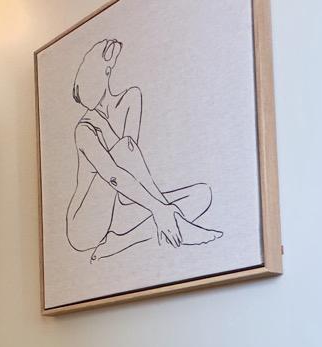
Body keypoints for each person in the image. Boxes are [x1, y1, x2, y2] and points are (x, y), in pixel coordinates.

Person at [66, 39, 222, 262]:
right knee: (155, 199)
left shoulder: (131, 98)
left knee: (201, 195)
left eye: (91, 78)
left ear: (107, 71)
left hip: (123, 201)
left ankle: (124, 240)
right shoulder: (85, 128)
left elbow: (129, 157)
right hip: (86, 222)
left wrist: (159, 208)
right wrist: (160, 208)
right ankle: (169, 218)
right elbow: (113, 174)